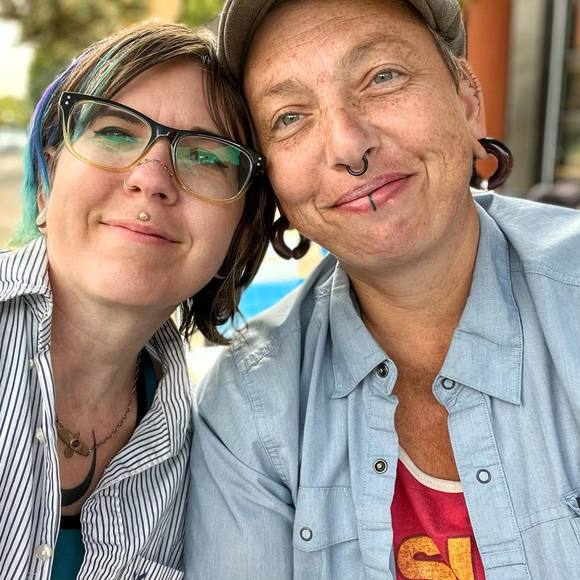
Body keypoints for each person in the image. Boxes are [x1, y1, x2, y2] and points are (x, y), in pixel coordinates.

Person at [184, 0, 580, 578]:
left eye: (383, 77)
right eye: (289, 117)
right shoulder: (251, 404)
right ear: (272, 182)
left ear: (467, 101)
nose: (348, 146)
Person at [0, 21, 274, 579]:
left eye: (205, 157)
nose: (151, 179)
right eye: (116, 132)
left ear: (238, 231)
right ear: (47, 183)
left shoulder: (213, 447)